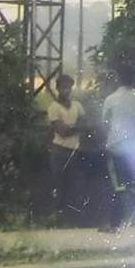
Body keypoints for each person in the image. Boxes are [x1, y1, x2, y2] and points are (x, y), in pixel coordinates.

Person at [100, 67, 135, 232]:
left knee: (118, 187)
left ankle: (115, 224)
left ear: (118, 79)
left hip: (116, 147)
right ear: (134, 79)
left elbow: (104, 122)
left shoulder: (110, 99)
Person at [44, 74, 87, 224]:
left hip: (74, 150)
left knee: (73, 185)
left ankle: (72, 218)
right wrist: (75, 128)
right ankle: (57, 217)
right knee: (58, 184)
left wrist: (71, 128)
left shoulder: (77, 106)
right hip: (59, 150)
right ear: (58, 89)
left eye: (69, 87)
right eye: (63, 87)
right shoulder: (54, 107)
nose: (66, 90)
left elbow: (85, 125)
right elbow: (61, 131)